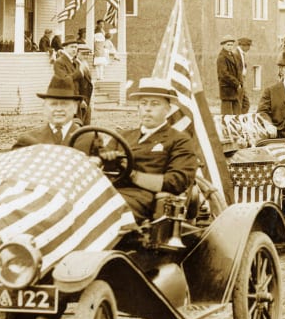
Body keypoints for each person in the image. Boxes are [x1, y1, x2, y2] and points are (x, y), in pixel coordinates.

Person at [100, 78, 198, 223]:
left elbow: (177, 182)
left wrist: (133, 174)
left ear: (168, 109)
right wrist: (106, 161)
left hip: (146, 200)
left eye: (155, 104)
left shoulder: (179, 140)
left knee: (104, 212)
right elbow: (100, 165)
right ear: (138, 107)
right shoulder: (122, 136)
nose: (148, 109)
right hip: (110, 193)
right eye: (143, 103)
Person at [12, 74, 87, 149]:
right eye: (53, 104)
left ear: (75, 108)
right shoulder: (28, 142)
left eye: (64, 104)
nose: (59, 109)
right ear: (44, 108)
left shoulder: (89, 140)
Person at [216, 36, 247, 114]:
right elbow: (224, 74)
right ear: (223, 45)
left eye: (231, 45)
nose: (230, 47)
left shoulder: (233, 55)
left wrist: (240, 82)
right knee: (227, 115)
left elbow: (238, 70)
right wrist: (236, 83)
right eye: (228, 45)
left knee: (237, 113)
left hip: (235, 90)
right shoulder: (221, 57)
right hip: (227, 90)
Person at [74, 43, 95, 124]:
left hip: (87, 99)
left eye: (87, 54)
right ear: (77, 53)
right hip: (79, 100)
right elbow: (75, 84)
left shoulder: (85, 65)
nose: (85, 56)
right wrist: (81, 100)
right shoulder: (75, 65)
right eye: (83, 54)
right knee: (79, 124)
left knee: (86, 124)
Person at [236, 37, 253, 113]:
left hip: (242, 81)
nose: (249, 48)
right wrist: (238, 83)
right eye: (248, 46)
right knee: (241, 103)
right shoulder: (236, 54)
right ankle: (239, 119)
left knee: (245, 103)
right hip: (238, 82)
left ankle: (241, 118)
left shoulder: (242, 54)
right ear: (243, 45)